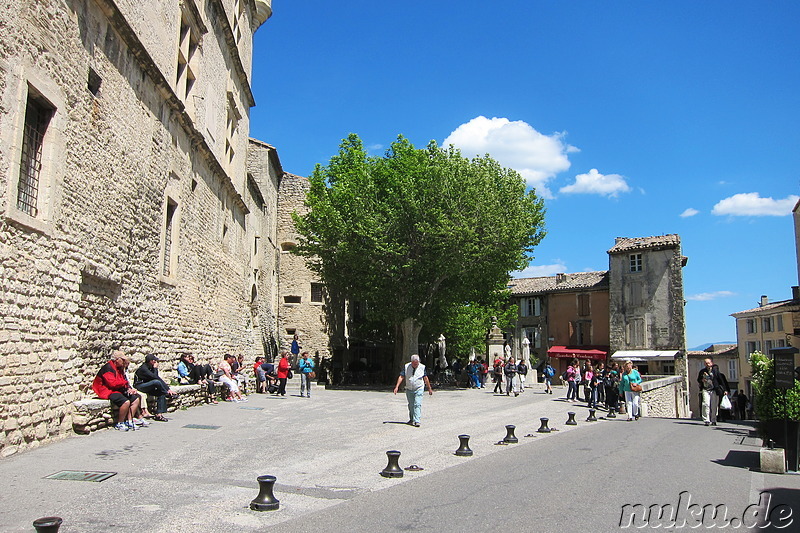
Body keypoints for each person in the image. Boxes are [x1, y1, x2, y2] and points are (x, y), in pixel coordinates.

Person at [92, 350, 143, 431]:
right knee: (125, 402)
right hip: (106, 391)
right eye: (122, 360)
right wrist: (124, 383)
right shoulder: (108, 368)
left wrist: (129, 389)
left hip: (116, 389)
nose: (124, 362)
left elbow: (122, 381)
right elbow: (112, 384)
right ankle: (120, 423)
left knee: (135, 399)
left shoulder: (119, 368)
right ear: (116, 360)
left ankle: (129, 420)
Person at [393, 354, 433, 427]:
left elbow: (425, 378)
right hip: (409, 388)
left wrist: (429, 388)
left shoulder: (422, 367)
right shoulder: (406, 367)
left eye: (417, 363)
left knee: (417, 404)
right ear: (411, 362)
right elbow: (401, 376)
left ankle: (417, 420)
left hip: (419, 388)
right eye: (414, 364)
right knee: (411, 405)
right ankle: (411, 419)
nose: (415, 365)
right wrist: (397, 387)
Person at [134, 355, 178, 421]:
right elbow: (155, 377)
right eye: (154, 361)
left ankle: (159, 414)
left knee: (160, 393)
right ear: (151, 361)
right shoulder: (144, 368)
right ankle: (166, 394)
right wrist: (155, 368)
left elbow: (158, 378)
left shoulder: (150, 367)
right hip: (140, 386)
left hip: (147, 386)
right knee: (156, 382)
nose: (156, 362)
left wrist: (168, 389)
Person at [697, 357, 727, 426]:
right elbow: (698, 379)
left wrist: (725, 390)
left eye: (708, 363)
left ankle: (713, 419)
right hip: (705, 389)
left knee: (714, 406)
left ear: (711, 363)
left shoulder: (715, 371)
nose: (707, 364)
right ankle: (706, 420)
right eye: (706, 363)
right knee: (706, 404)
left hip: (714, 390)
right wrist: (702, 380)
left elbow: (721, 380)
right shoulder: (702, 372)